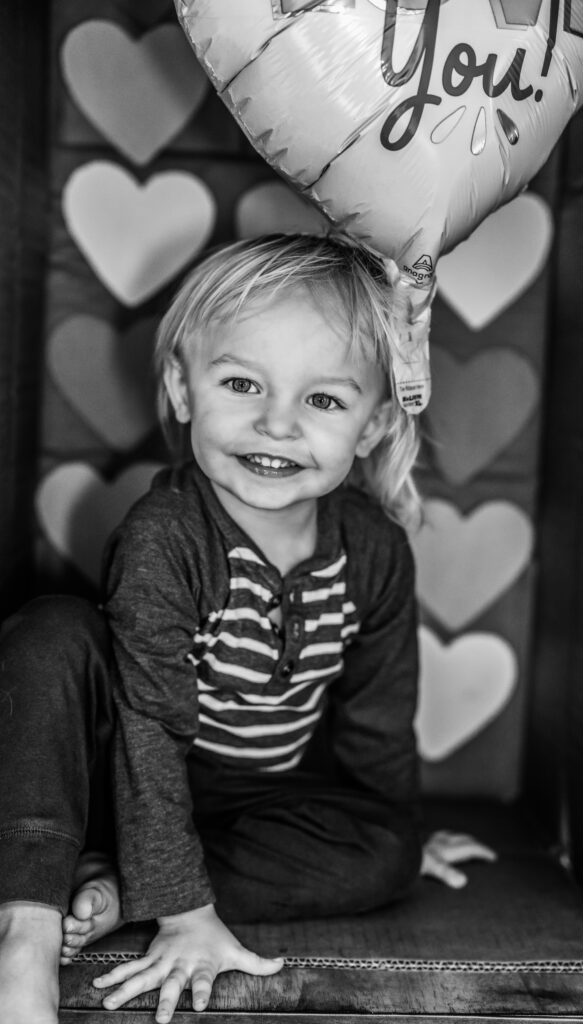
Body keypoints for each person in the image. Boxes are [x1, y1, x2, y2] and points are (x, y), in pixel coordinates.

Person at [0, 233, 494, 1024]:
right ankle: (26, 926)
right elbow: (150, 723)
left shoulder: (372, 551)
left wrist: (397, 831)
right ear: (183, 389)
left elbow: (375, 717)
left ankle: (118, 887)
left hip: (252, 806)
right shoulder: (166, 536)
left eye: (324, 400)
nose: (276, 424)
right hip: (111, 771)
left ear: (369, 427)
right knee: (50, 634)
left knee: (385, 854)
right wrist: (187, 917)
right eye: (241, 384)